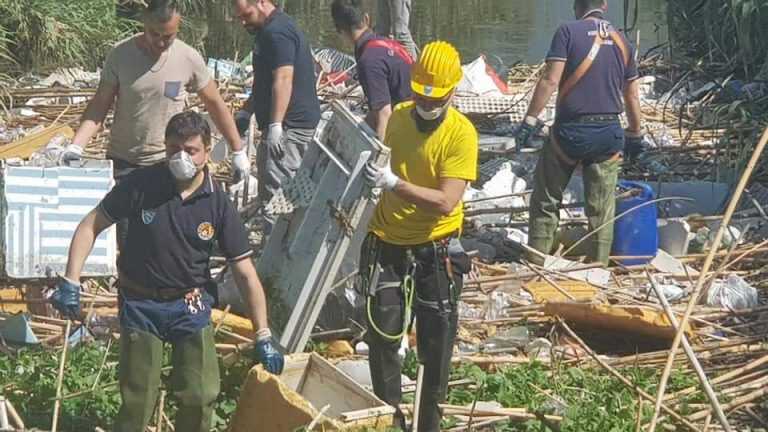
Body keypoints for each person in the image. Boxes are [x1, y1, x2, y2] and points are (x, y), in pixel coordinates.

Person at [49, 111, 284, 432]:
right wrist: (70, 279)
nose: (180, 157)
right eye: (173, 149)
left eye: (190, 150)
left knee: (201, 394)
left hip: (189, 304)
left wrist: (263, 334)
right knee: (138, 398)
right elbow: (92, 224)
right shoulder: (141, 186)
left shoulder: (216, 203)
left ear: (207, 151)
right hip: (141, 303)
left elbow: (244, 271)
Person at [359, 41, 477, 432]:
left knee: (435, 346)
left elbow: (446, 201)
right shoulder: (399, 118)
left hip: (435, 249)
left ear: (451, 92)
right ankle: (389, 420)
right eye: (420, 96)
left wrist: (395, 183)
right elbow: (382, 158)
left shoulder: (461, 134)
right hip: (388, 241)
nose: (426, 105)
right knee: (383, 338)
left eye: (435, 99)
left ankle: (428, 425)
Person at [515, 0, 645, 265]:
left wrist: (529, 120)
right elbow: (631, 95)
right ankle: (599, 266)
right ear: (605, 5)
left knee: (546, 199)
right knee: (601, 208)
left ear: (576, 5)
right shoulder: (623, 41)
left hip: (570, 132)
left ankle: (537, 261)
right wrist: (635, 134)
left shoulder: (567, 32)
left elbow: (550, 80)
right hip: (608, 134)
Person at [64, 0, 250, 184]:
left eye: (168, 36)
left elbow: (215, 104)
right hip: (123, 162)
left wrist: (238, 150)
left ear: (178, 27)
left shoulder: (188, 58)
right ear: (145, 22)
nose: (161, 42)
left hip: (169, 162)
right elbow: (99, 105)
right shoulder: (121, 55)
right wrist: (76, 146)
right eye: (155, 34)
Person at [233, 0, 321, 211]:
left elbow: (283, 78)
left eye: (247, 15)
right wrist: (247, 110)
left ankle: (280, 242)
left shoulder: (277, 32)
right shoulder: (269, 31)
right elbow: (264, 81)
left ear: (262, 2)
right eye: (240, 18)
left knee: (280, 198)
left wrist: (275, 126)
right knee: (272, 186)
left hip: (290, 127)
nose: (244, 22)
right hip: (286, 124)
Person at [331, 0, 413, 139]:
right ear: (367, 19)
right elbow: (379, 104)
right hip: (416, 109)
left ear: (340, 31)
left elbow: (384, 115)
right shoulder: (384, 43)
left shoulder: (368, 61)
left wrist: (381, 157)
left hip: (411, 123)